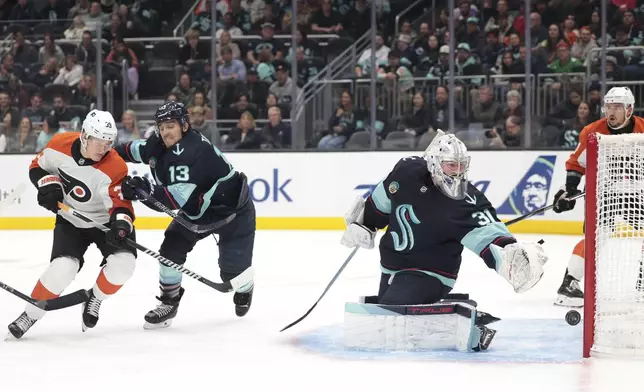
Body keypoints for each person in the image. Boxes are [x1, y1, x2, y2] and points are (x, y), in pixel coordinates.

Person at [339, 131, 548, 351]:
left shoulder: (468, 200)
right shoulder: (406, 172)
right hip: (392, 268)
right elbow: (381, 202)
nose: (457, 171)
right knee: (387, 311)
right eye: (451, 165)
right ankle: (450, 310)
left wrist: (511, 255)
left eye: (461, 165)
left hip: (433, 272)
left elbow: (490, 236)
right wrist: (365, 224)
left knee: (392, 314)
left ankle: (472, 326)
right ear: (434, 162)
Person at [115, 101, 255, 329]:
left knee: (232, 274)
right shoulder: (157, 144)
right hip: (198, 209)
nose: (165, 132)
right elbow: (129, 151)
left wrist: (144, 189)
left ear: (184, 126)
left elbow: (171, 200)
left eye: (170, 125)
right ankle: (169, 302)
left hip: (233, 213)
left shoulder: (195, 152)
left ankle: (245, 285)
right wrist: (102, 155)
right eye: (161, 127)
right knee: (170, 250)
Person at [7, 109, 137, 339]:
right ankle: (31, 313)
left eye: (108, 142)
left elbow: (121, 203)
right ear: (85, 136)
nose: (103, 148)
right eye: (98, 141)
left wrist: (121, 225)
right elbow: (38, 166)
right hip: (70, 220)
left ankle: (94, 298)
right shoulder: (59, 144)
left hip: (105, 223)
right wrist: (47, 185)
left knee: (124, 265)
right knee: (62, 269)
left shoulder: (116, 166)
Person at [552, 86, 644, 307]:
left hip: (637, 195)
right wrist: (570, 189)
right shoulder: (593, 131)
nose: (611, 112)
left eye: (617, 107)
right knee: (595, 238)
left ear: (629, 109)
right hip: (604, 197)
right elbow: (577, 163)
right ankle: (569, 285)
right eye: (608, 106)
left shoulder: (643, 129)